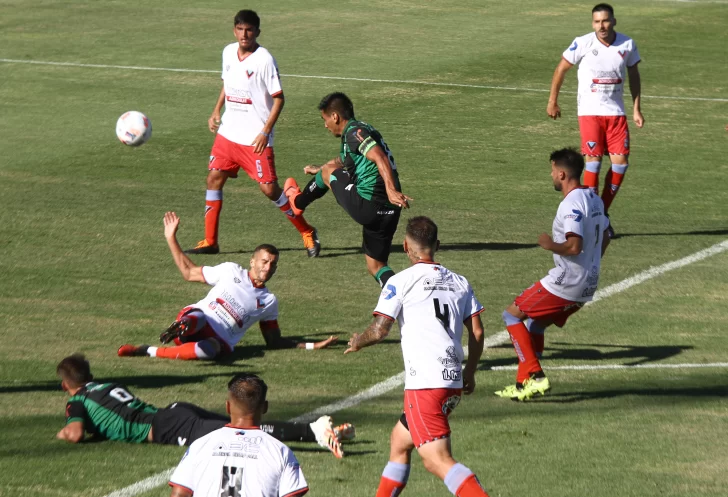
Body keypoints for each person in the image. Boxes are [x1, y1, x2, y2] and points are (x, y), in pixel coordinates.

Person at [345, 217, 491, 497]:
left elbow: (379, 330)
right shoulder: (460, 281)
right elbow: (478, 332)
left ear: (405, 247)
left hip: (425, 385)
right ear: (437, 245)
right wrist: (469, 372)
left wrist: (357, 342)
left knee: (437, 460)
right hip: (451, 382)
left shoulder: (401, 282)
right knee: (400, 442)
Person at [186, 9, 320, 257]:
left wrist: (264, 131)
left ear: (257, 32)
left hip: (254, 139)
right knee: (214, 179)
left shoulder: (264, 60)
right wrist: (216, 110)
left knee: (270, 190)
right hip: (228, 133)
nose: (244, 34)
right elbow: (227, 83)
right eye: (240, 29)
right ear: (234, 30)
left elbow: (279, 99)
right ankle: (210, 241)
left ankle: (307, 231)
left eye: (249, 29)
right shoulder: (228, 52)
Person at [118, 212, 337, 361]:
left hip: (218, 341)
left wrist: (312, 345)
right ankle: (184, 324)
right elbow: (188, 273)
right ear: (252, 261)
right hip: (197, 319)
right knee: (200, 318)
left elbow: (273, 341)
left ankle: (148, 351)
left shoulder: (269, 302)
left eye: (273, 263)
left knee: (210, 350)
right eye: (264, 261)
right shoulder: (231, 270)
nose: (268, 267)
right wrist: (171, 238)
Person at [56, 354, 352, 458]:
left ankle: (315, 431)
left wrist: (62, 433)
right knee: (238, 426)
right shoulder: (106, 386)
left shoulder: (77, 400)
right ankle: (320, 431)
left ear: (65, 385)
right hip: (173, 410)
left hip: (166, 427)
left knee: (242, 430)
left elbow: (75, 433)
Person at [495, 148, 610, 401]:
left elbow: (573, 246)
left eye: (551, 171)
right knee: (535, 324)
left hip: (566, 282)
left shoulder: (571, 203)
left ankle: (536, 376)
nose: (550, 175)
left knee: (511, 316)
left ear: (561, 173)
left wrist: (550, 245)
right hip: (588, 284)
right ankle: (522, 385)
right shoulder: (595, 198)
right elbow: (608, 234)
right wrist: (592, 263)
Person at [283, 92, 412, 288]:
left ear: (335, 116)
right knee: (376, 266)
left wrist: (391, 189)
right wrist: (320, 170)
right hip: (390, 211)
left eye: (324, 119)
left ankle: (297, 203)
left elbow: (379, 157)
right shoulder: (363, 130)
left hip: (369, 205)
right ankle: (401, 296)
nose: (325, 125)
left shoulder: (354, 133)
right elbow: (345, 161)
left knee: (327, 173)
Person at [547, 3, 643, 237]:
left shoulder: (627, 44)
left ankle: (601, 213)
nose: (602, 26)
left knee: (621, 164)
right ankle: (591, 217)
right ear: (593, 23)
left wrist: (637, 109)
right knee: (594, 164)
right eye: (597, 21)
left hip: (616, 114)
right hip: (590, 113)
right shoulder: (583, 42)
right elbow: (561, 69)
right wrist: (552, 100)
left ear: (614, 21)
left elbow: (634, 75)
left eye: (606, 21)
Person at [169, 373, 309, 497]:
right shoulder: (281, 451)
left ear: (228, 406)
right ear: (265, 407)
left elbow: (179, 494)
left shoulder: (200, 445)